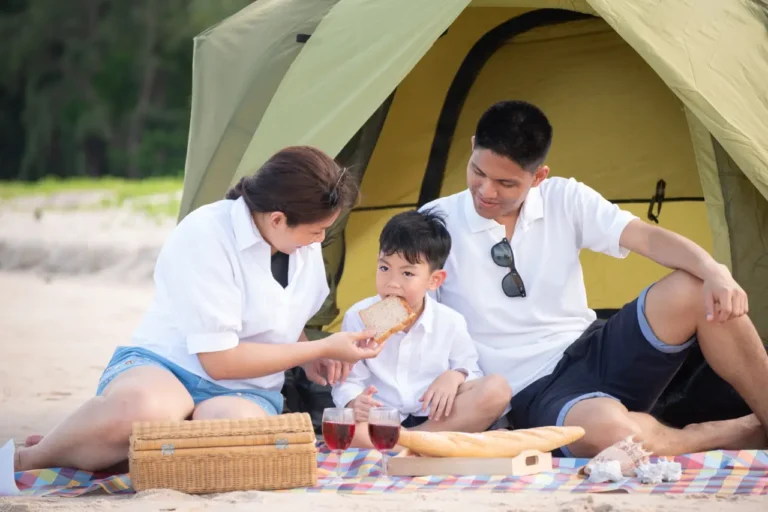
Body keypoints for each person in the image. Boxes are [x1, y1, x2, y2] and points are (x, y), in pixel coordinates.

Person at [421, 100, 768, 457]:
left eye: (505, 183)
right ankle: (724, 433)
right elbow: (400, 304)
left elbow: (646, 237)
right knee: (616, 435)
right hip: (535, 390)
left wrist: (715, 271)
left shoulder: (564, 197)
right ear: (473, 144)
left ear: (538, 177)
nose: (486, 190)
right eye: (478, 172)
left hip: (596, 349)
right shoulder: (434, 223)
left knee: (698, 288)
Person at [15, 146, 384, 472]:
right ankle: (31, 459)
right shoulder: (206, 234)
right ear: (276, 218)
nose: (320, 240)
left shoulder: (299, 243)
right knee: (146, 413)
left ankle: (108, 449)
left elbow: (284, 320)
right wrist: (321, 347)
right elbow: (218, 361)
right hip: (169, 368)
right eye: (316, 231)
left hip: (247, 390)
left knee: (232, 438)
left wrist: (307, 359)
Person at [332, 209, 512, 448]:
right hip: (381, 419)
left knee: (497, 389)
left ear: (434, 280)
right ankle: (421, 445)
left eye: (407, 273)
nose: (392, 282)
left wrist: (454, 375)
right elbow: (347, 379)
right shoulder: (358, 317)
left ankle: (410, 442)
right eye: (384, 268)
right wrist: (355, 401)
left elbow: (471, 371)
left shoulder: (450, 321)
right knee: (344, 430)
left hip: (435, 417)